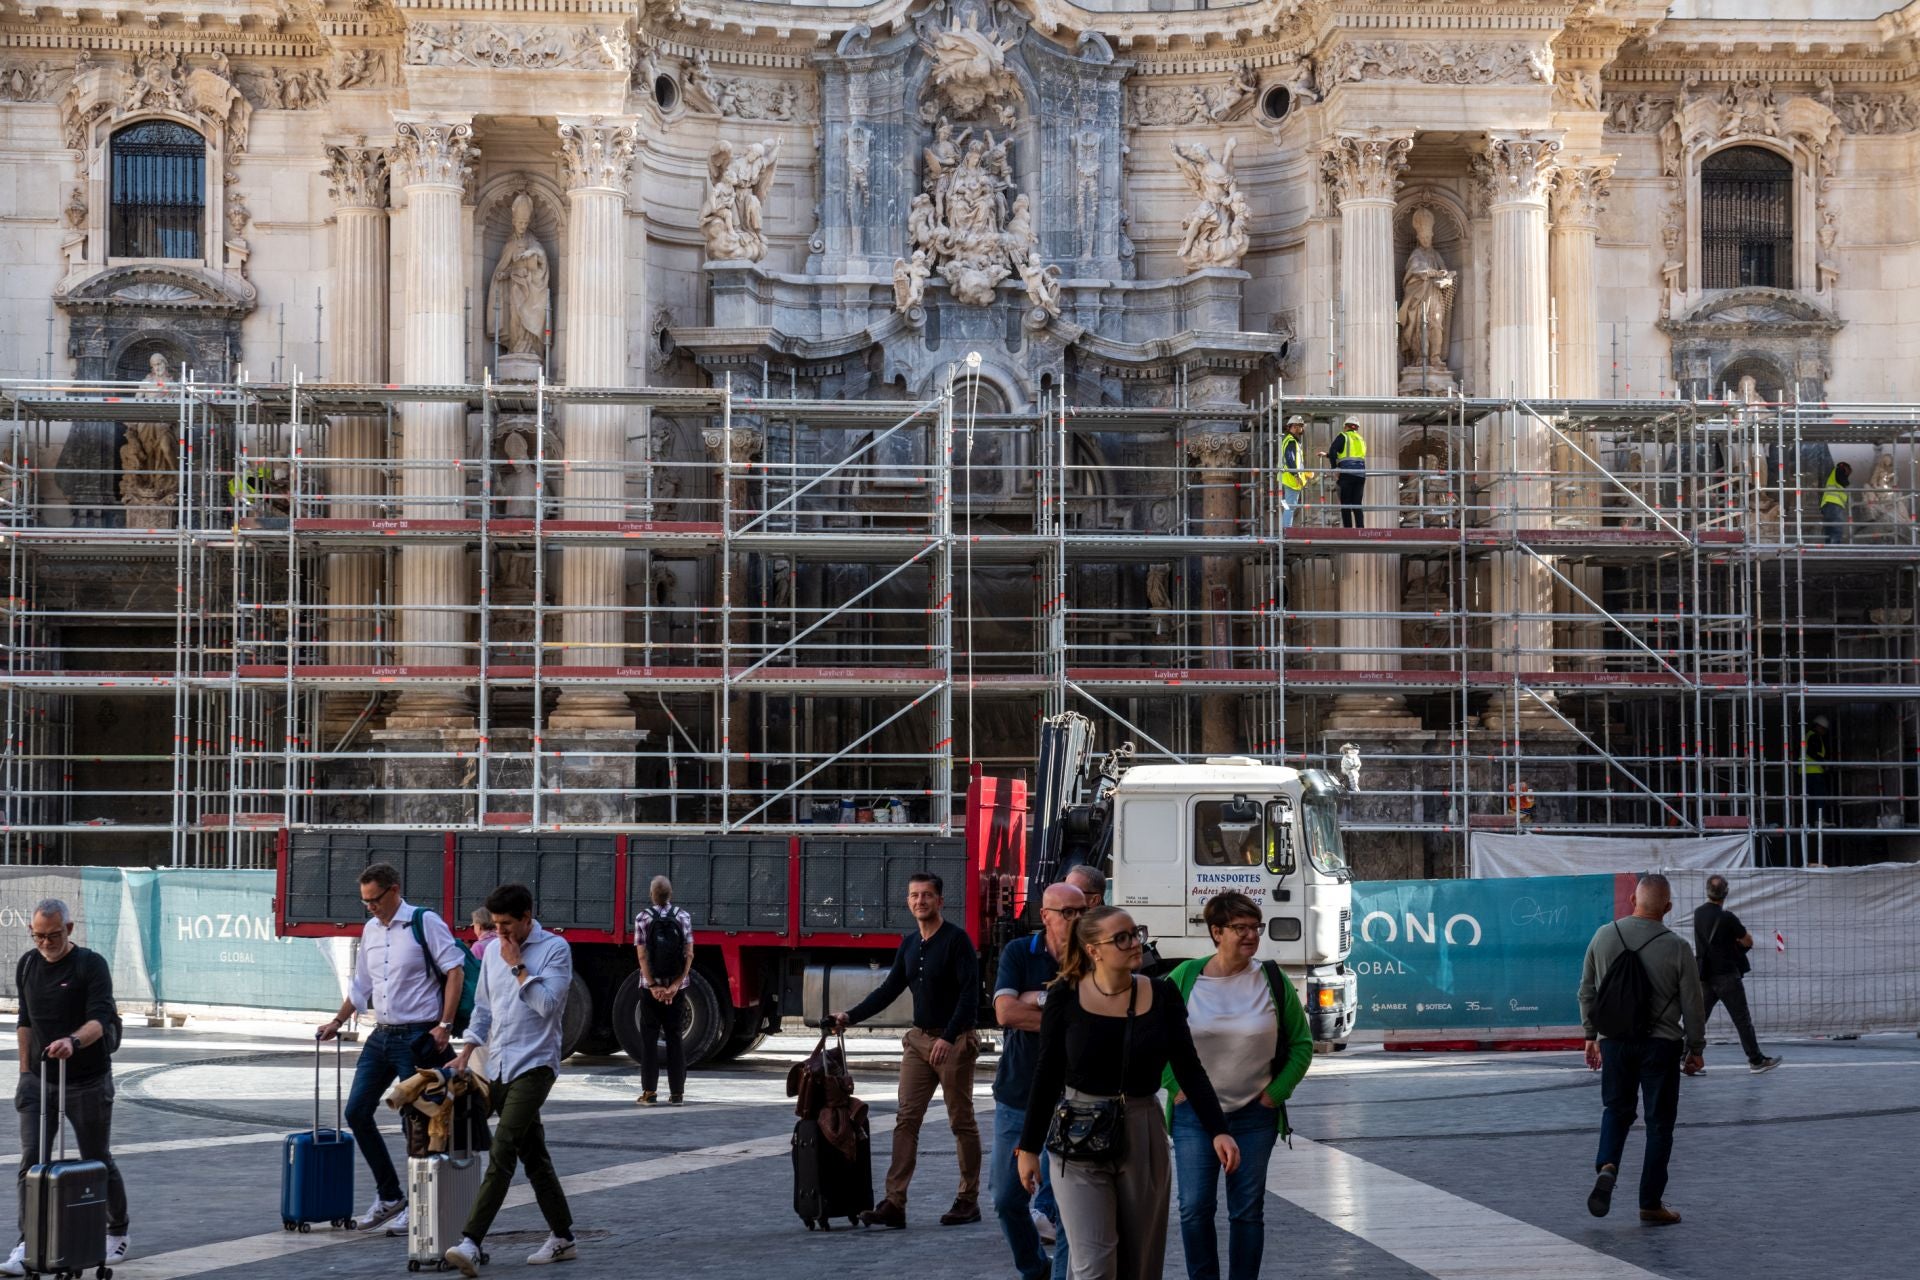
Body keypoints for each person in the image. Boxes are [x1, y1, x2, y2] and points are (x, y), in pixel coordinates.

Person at [1017, 907, 1239, 1280]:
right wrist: (1028, 1147)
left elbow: (1189, 1069)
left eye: (1134, 933)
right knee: (1094, 1265)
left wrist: (1218, 1129)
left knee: (1140, 1264)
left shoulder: (1164, 995)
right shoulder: (1064, 996)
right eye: (1120, 937)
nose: (1134, 943)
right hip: (1078, 1134)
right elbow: (1047, 1073)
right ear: (1093, 950)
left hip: (1142, 1131)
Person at [1163, 893, 1312, 1280]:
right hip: (1194, 1113)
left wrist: (1273, 1096)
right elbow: (1155, 1037)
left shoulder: (1272, 979)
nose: (1251, 936)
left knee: (1247, 1210)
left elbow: (1301, 1045)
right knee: (1194, 1208)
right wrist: (1174, 1085)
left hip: (1253, 1115)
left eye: (1255, 928)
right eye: (1240, 928)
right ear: (1216, 932)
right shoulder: (1184, 978)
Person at [317, 863, 468, 1233]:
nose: (371, 907)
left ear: (394, 890)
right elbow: (362, 984)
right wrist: (337, 1021)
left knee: (415, 1124)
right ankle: (390, 1195)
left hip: (418, 1037)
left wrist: (444, 1025)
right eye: (365, 902)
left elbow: (455, 970)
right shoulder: (370, 929)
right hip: (381, 1036)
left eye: (375, 900)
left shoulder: (423, 921)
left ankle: (419, 1206)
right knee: (356, 1112)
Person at [828, 873, 981, 1229]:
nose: (920, 901)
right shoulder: (910, 943)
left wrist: (950, 1037)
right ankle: (894, 1203)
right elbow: (889, 989)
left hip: (954, 1042)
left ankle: (967, 1199)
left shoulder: (957, 942)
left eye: (927, 895)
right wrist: (849, 1015)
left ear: (940, 901)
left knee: (961, 1121)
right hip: (918, 1041)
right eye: (914, 895)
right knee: (906, 1121)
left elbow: (970, 996)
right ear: (908, 901)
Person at [443, 883, 578, 1275]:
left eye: (506, 925)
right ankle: (564, 1237)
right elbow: (484, 1009)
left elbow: (548, 1008)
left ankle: (470, 1241)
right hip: (497, 1063)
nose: (498, 933)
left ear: (526, 917)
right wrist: (466, 1052)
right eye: (495, 925)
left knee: (501, 1151)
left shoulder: (555, 950)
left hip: (535, 1065)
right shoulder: (490, 953)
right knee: (533, 1155)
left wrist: (518, 966)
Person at [4, 900, 127, 1276]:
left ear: (69, 930)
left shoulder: (91, 965)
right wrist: (26, 1071)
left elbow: (99, 1019)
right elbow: (25, 1021)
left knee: (96, 1159)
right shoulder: (27, 964)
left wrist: (73, 1042)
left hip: (87, 1080)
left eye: (53, 935)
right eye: (38, 935)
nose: (45, 942)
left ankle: (116, 1230)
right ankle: (28, 1243)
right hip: (39, 1082)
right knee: (31, 1164)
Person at [1577, 873, 1706, 1226]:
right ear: (1668, 908)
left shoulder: (1604, 936)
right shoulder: (1677, 947)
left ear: (1633, 901)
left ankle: (1607, 1166)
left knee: (1616, 1110)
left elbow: (1586, 991)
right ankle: (1650, 1203)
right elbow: (1693, 1004)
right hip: (1661, 1046)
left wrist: (1592, 1035)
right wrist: (1695, 1048)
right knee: (1659, 1125)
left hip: (1615, 1043)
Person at [992, 882, 1086, 1280]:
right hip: (1018, 1093)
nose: (1076, 920)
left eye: (1081, 911)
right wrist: (1063, 1019)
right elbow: (1005, 1013)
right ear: (1045, 915)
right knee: (1006, 1199)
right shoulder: (1019, 952)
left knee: (1065, 1206)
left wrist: (1037, 1000)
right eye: (1067, 912)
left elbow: (1096, 1020)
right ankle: (1035, 1269)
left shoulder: (1094, 957)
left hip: (1072, 1097)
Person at [1693, 876, 1782, 1075]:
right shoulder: (1728, 918)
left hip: (1705, 975)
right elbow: (1748, 941)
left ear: (1707, 891)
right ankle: (1756, 1060)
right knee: (1742, 1020)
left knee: (1698, 1019)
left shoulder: (1698, 914)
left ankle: (1684, 1058)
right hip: (1726, 977)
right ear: (1726, 893)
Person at [633, 876, 694, 1107]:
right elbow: (689, 954)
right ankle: (677, 1094)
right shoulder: (683, 916)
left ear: (651, 895)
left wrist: (654, 986)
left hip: (650, 989)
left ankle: (649, 1093)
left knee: (649, 1039)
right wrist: (675, 985)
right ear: (671, 894)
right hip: (676, 988)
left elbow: (641, 956)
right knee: (675, 1037)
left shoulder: (643, 917)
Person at [1327, 416, 1367, 529]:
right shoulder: (1360, 439)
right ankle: (1360, 529)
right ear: (1356, 428)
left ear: (1345, 426)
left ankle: (1348, 530)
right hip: (1360, 475)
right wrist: (1327, 455)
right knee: (1357, 504)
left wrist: (1335, 467)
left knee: (1346, 504)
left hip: (1347, 474)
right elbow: (1349, 455)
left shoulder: (1343, 436)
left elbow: (1333, 450)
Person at [1278, 415, 1315, 531]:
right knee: (1291, 506)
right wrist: (1296, 475)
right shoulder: (1291, 441)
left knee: (1288, 505)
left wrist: (1304, 473)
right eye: (1300, 426)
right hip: (1291, 479)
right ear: (1294, 427)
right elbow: (1290, 459)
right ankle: (1286, 531)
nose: (1302, 429)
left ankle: (1285, 530)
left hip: (1289, 477)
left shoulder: (1291, 441)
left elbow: (1296, 462)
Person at [1803, 713, 1833, 831]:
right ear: (1818, 727)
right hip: (1813, 771)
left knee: (1809, 798)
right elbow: (1812, 752)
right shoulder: (1813, 736)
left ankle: (1811, 821)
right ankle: (1819, 821)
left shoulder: (1809, 735)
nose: (1824, 732)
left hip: (1808, 771)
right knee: (1819, 796)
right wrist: (1824, 762)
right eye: (1824, 729)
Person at [1821, 461, 1851, 544]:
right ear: (1845, 468)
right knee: (1837, 530)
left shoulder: (1834, 475)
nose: (1848, 475)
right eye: (1848, 472)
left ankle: (1828, 551)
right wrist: (1848, 483)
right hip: (1833, 505)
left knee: (1829, 531)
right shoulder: (1840, 469)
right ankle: (1835, 550)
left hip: (1828, 506)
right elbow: (1843, 481)